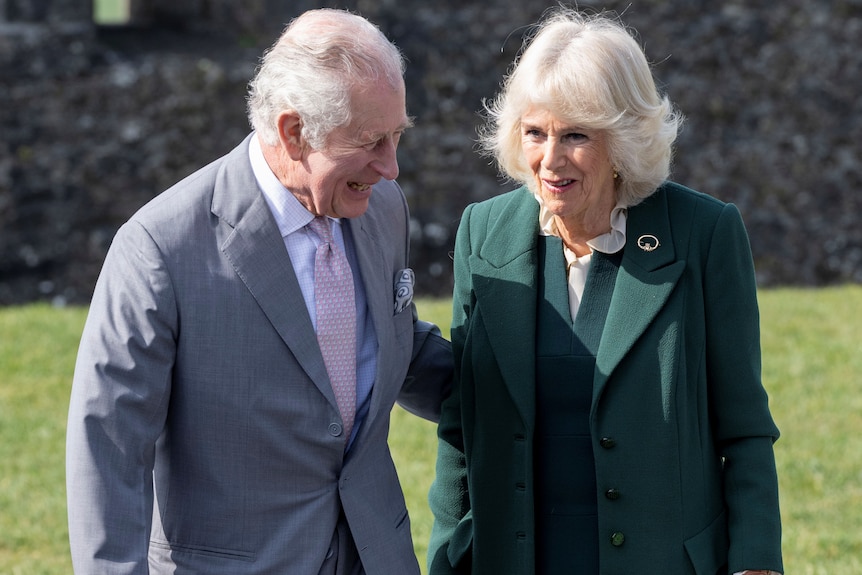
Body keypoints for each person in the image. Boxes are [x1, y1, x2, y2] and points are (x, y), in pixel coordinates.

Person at [66, 9, 452, 575]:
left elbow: (382, 343)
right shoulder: (160, 248)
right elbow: (108, 448)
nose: (391, 167)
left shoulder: (381, 209)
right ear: (294, 132)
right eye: (371, 141)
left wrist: (530, 390)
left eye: (397, 136)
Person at [427, 8, 782, 575]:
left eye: (576, 136)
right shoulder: (483, 233)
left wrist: (756, 561)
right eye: (535, 132)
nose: (550, 159)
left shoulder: (705, 234)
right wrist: (446, 559)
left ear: (622, 138)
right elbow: (461, 430)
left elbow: (743, 426)